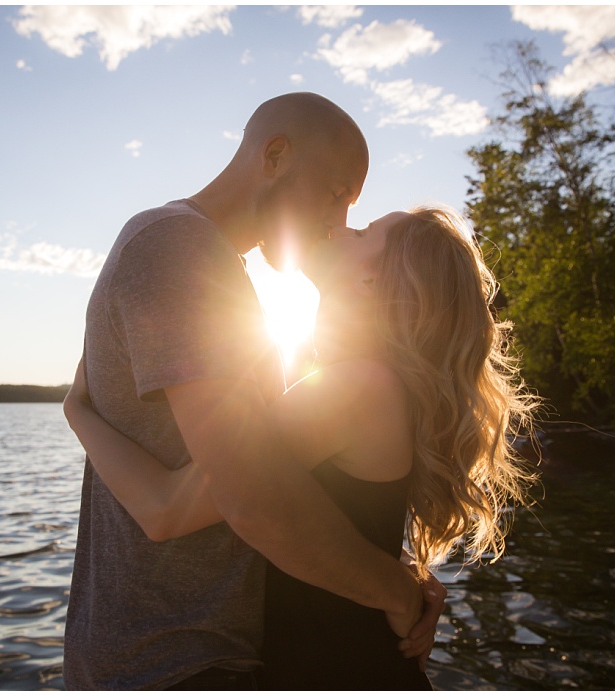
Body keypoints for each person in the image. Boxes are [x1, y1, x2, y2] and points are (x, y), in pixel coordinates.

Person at [62, 92, 442, 690]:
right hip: (173, 660)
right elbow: (243, 500)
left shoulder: (216, 272)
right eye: (339, 194)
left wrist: (397, 579)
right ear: (275, 155)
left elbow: (279, 488)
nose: (338, 221)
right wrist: (395, 588)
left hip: (200, 656)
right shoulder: (180, 247)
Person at [66, 206, 538, 688]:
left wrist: (77, 412)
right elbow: (336, 520)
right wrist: (401, 580)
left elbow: (164, 508)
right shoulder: (364, 385)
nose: (342, 225)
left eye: (365, 232)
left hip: (345, 669)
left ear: (374, 282)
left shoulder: (354, 388)